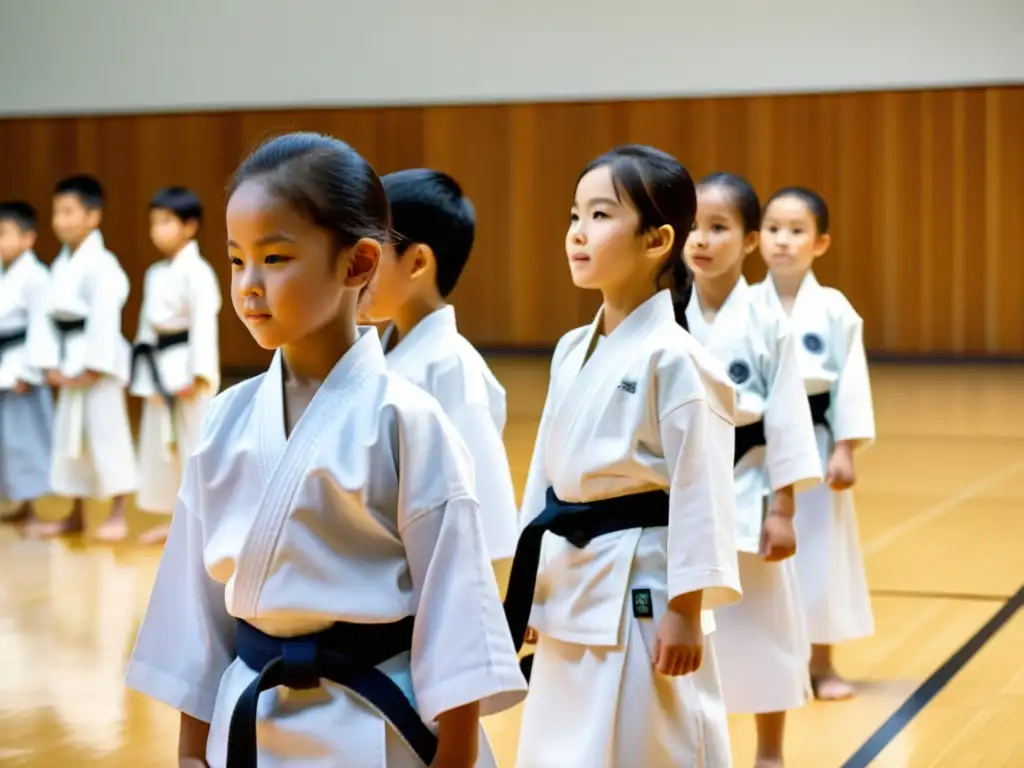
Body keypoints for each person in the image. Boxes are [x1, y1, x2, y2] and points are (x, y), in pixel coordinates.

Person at [124, 132, 527, 768]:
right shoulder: (227, 418)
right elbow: (194, 607)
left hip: (374, 721)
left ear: (359, 264)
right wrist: (189, 752)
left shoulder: (408, 419)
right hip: (250, 718)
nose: (249, 286)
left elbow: (456, 609)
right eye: (236, 261)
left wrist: (455, 756)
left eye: (275, 258)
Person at [510, 145, 742, 767]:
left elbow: (704, 489)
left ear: (656, 240)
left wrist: (687, 611)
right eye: (574, 215)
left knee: (651, 739)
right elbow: (546, 475)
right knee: (565, 743)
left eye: (601, 215)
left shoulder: (678, 358)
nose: (578, 234)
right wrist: (526, 589)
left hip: (642, 582)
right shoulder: (570, 349)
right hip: (569, 577)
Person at [684, 172, 822, 767]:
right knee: (689, 634)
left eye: (718, 228)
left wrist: (785, 509)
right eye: (692, 227)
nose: (702, 240)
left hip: (751, 489)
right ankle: (693, 745)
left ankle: (769, 751)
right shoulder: (665, 315)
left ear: (747, 242)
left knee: (765, 627)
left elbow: (790, 420)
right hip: (685, 495)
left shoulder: (770, 323)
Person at [358, 168, 519, 582]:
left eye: (370, 255)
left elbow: (485, 511)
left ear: (417, 262)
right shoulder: (378, 355)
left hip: (432, 580)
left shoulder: (451, 366)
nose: (354, 271)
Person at [752, 186, 876, 701]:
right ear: (757, 238)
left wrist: (845, 448)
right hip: (757, 449)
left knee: (820, 553)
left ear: (820, 243)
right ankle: (765, 661)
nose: (783, 241)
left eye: (796, 231)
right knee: (757, 555)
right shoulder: (742, 306)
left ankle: (822, 665)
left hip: (819, 440)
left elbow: (852, 379)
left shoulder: (833, 308)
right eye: (774, 230)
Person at [41, 174, 136, 540]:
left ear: (93, 217)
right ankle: (75, 512)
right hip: (68, 359)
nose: (60, 221)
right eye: (57, 212)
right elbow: (48, 319)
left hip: (99, 364)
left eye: (69, 212)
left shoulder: (104, 265)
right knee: (70, 441)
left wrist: (94, 366)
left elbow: (104, 318)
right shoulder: (61, 263)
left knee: (107, 435)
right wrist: (49, 363)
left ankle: (118, 512)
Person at [130, 186, 222, 546]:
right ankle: (175, 522)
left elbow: (204, 324)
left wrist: (198, 374)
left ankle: (202, 526)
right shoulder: (155, 273)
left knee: (192, 445)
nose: (158, 230)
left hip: (186, 368)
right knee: (163, 449)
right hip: (158, 368)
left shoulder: (198, 272)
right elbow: (143, 330)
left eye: (166, 222)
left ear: (190, 226)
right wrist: (144, 378)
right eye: (154, 222)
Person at [0, 201, 56, 529]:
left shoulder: (36, 277)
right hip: (3, 364)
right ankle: (16, 502)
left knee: (26, 440)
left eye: (5, 234)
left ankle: (33, 506)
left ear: (28, 239)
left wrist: (29, 372)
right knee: (6, 442)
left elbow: (40, 327)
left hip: (22, 368)